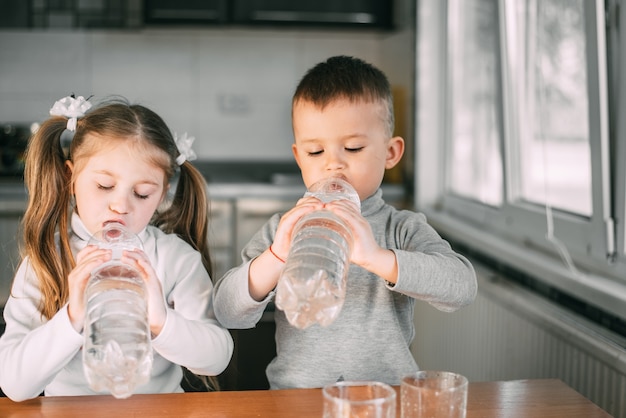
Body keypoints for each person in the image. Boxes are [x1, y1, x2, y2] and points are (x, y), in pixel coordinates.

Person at [212, 55, 478, 389]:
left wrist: (377, 257)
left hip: (383, 399)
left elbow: (462, 288)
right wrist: (277, 258)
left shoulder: (401, 228)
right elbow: (226, 311)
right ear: (298, 157)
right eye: (315, 152)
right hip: (296, 401)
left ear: (391, 153)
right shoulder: (284, 229)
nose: (333, 165)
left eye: (352, 148)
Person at [0, 95, 233, 401]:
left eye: (142, 193)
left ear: (162, 194)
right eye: (104, 186)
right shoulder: (46, 260)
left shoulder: (176, 259)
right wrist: (72, 316)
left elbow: (216, 360)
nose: (120, 206)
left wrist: (159, 319)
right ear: (71, 178)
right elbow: (14, 385)